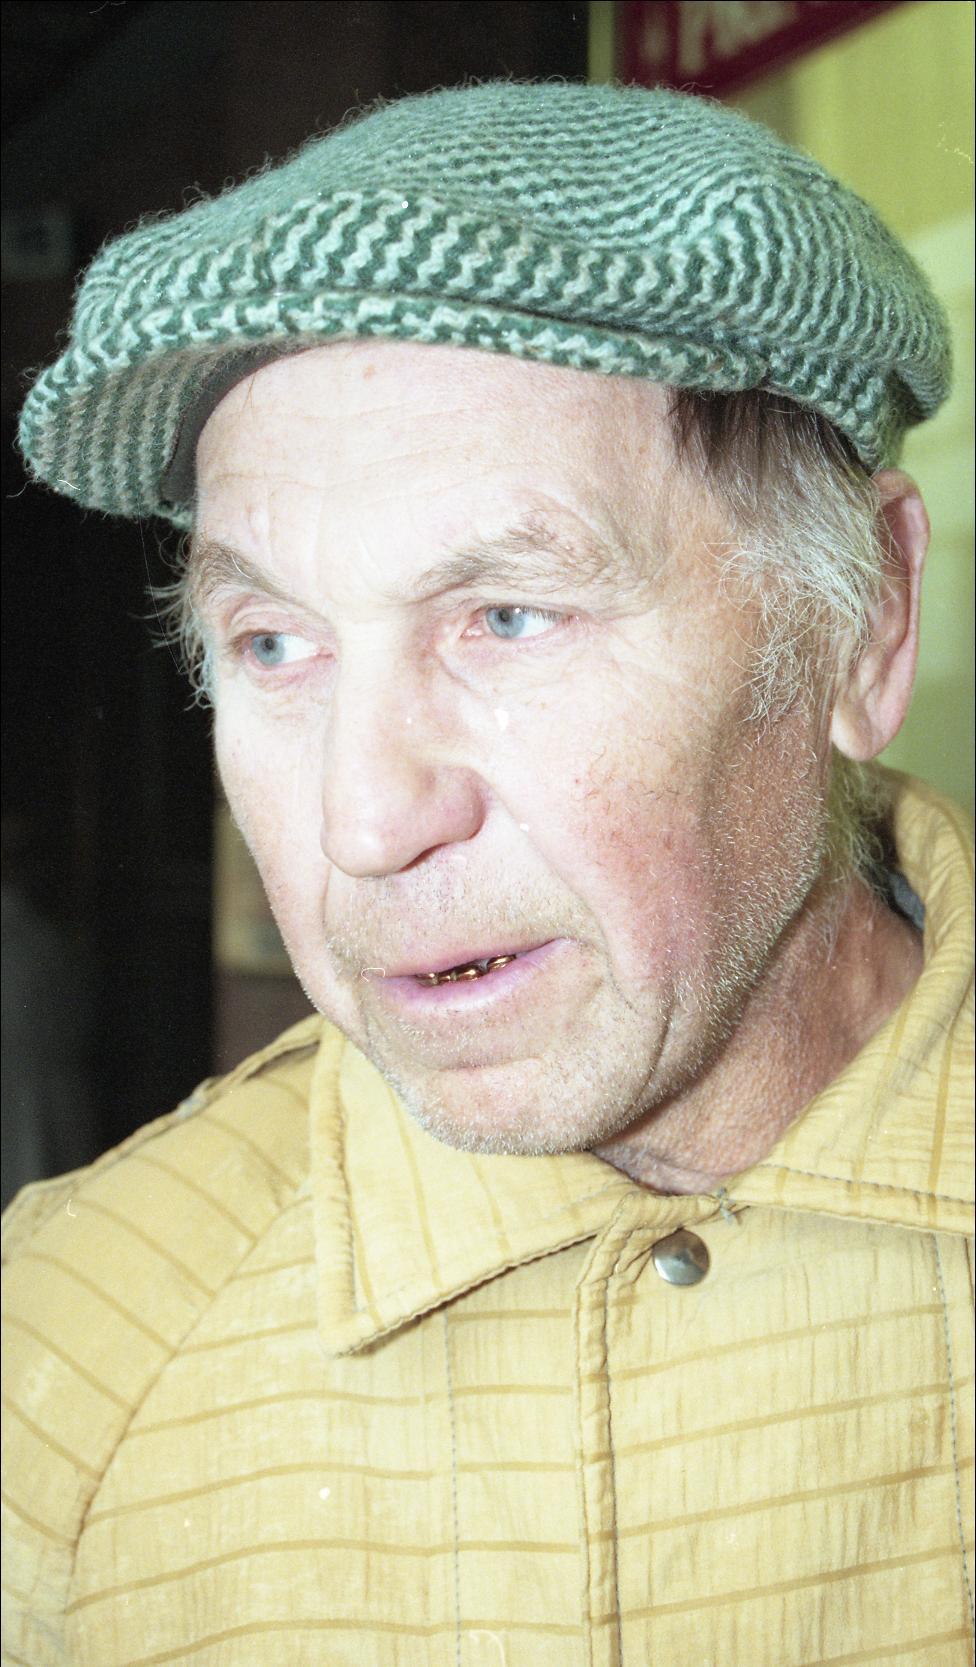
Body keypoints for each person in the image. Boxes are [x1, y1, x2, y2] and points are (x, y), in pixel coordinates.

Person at [3, 81, 972, 1667]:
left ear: (861, 621)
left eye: (508, 618)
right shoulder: (64, 1354)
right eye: (274, 644)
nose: (364, 822)